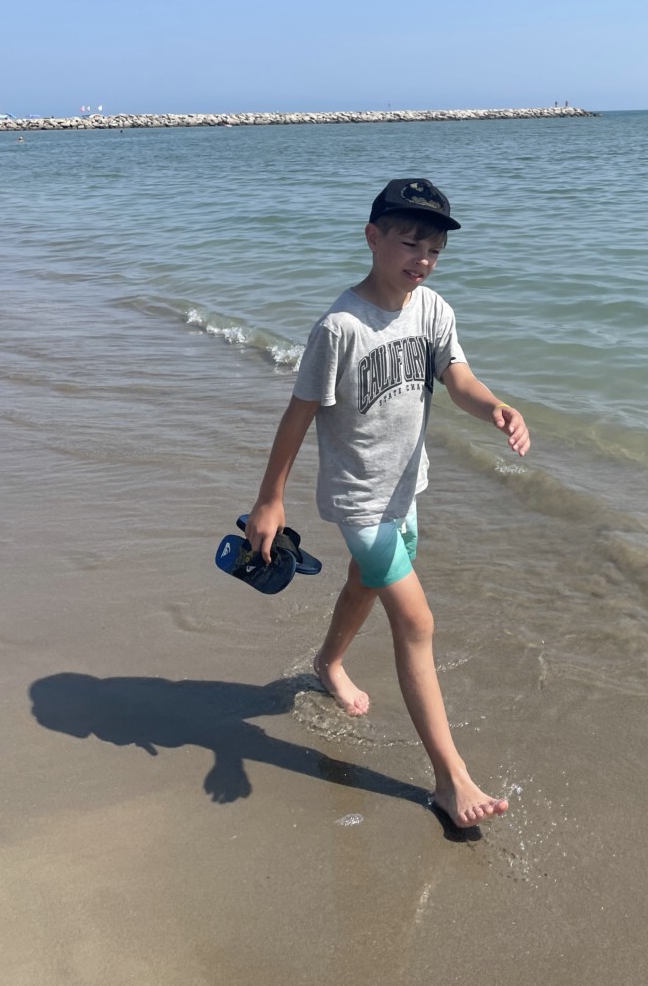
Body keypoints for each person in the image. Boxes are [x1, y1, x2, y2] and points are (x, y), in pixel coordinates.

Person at [246, 177, 530, 828]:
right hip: (359, 500)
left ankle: (328, 662)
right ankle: (450, 779)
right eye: (410, 243)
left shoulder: (432, 310)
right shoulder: (340, 327)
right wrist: (270, 499)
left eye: (434, 250)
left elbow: (457, 378)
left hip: (406, 487)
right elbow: (298, 415)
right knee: (417, 622)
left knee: (364, 584)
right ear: (373, 237)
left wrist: (496, 407)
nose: (422, 259)